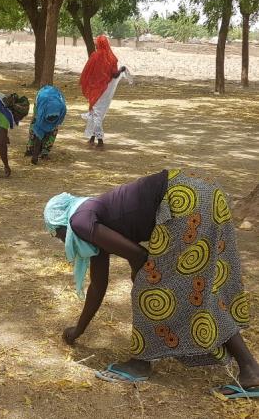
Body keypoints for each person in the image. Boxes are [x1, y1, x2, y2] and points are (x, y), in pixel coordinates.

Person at [44, 169, 259, 399]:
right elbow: (98, 286)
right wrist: (78, 331)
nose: (60, 240)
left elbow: (139, 257)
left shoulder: (79, 221)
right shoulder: (91, 214)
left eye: (57, 235)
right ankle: (250, 370)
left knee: (151, 288)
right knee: (198, 289)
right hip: (204, 192)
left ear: (62, 224)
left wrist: (143, 279)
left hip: (184, 199)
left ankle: (140, 363)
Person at [80, 35, 129, 149]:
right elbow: (115, 74)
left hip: (95, 90)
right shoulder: (111, 58)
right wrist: (122, 69)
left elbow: (87, 72)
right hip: (104, 90)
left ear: (98, 44)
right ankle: (93, 138)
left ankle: (99, 140)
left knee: (95, 113)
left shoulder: (94, 56)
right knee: (96, 113)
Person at [24, 85, 67, 165]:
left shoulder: (62, 108)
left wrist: (53, 125)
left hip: (53, 102)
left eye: (53, 117)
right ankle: (30, 148)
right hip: (42, 100)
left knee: (53, 131)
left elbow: (59, 121)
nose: (51, 119)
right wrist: (35, 156)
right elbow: (38, 132)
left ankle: (45, 152)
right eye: (50, 117)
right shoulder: (41, 110)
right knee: (35, 127)